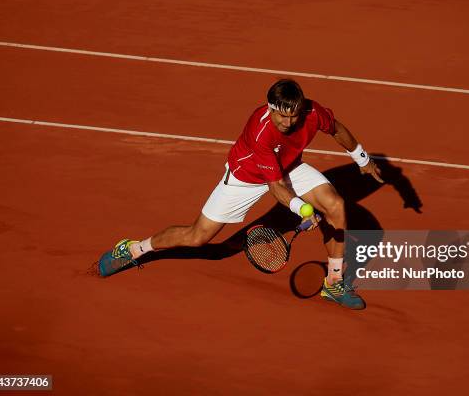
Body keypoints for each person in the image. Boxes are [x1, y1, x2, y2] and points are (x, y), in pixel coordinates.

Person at [98, 79, 383, 310]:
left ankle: (333, 284)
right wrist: (304, 210)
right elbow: (276, 188)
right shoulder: (261, 133)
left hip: (289, 166)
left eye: (293, 115)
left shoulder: (311, 113)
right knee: (197, 236)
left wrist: (362, 158)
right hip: (246, 178)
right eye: (281, 116)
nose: (288, 122)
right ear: (271, 109)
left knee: (335, 206)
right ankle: (134, 248)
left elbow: (336, 128)